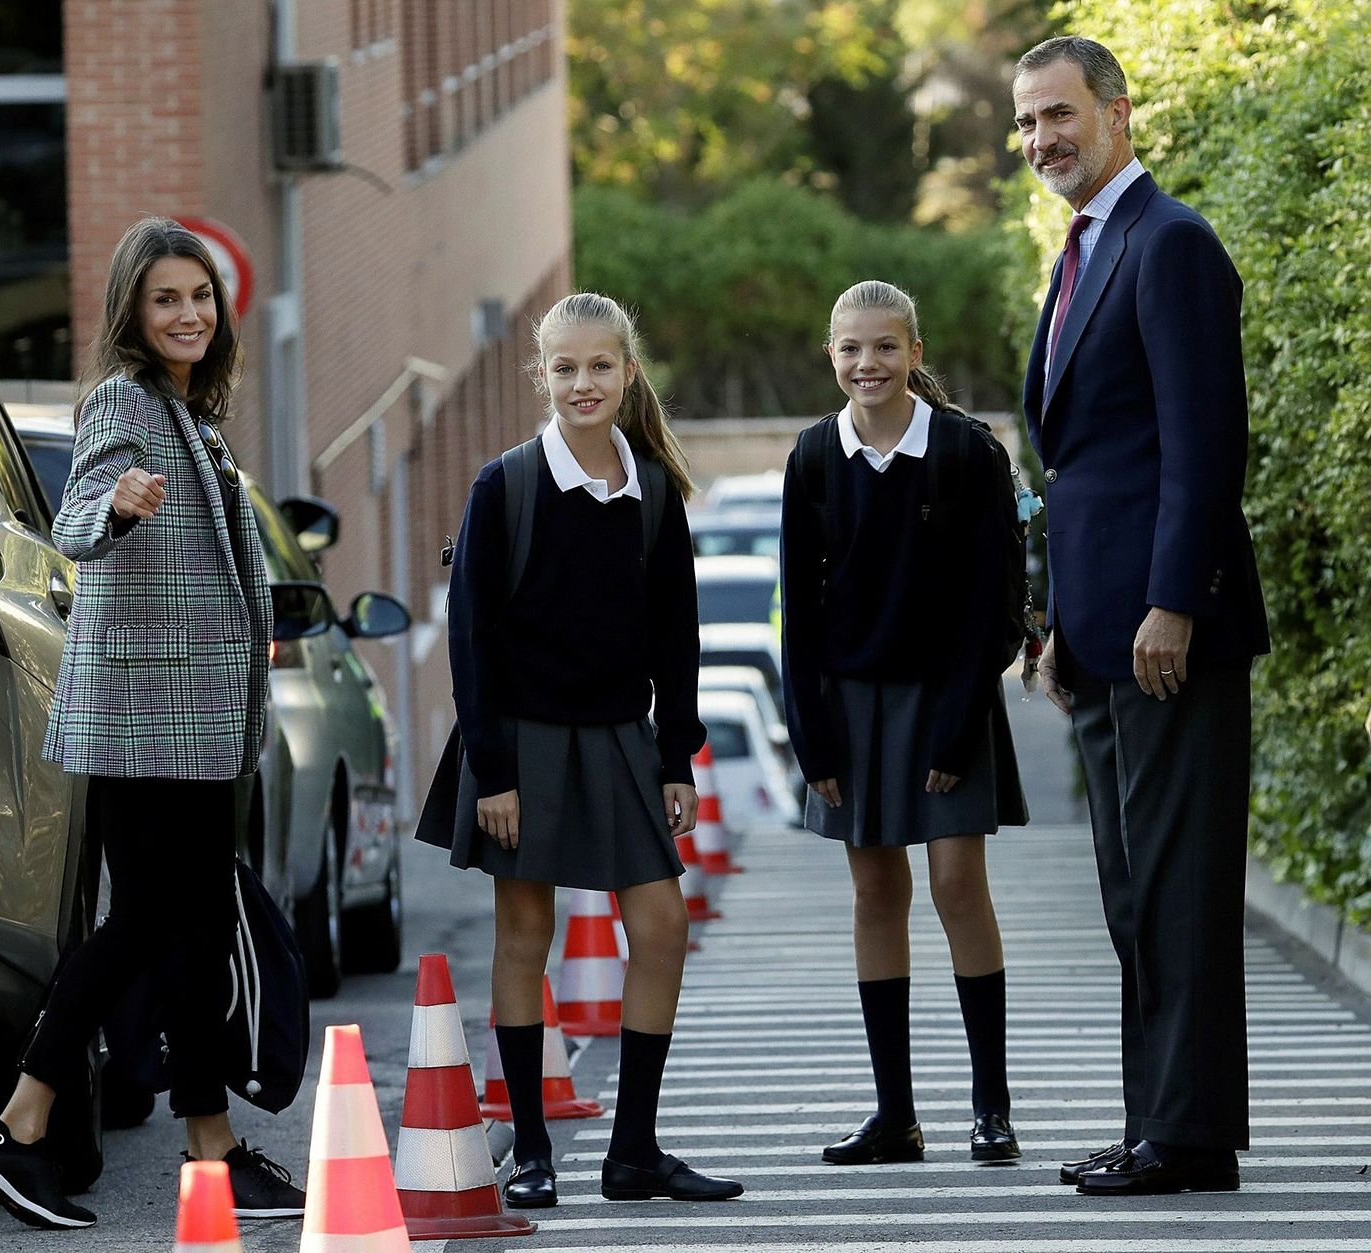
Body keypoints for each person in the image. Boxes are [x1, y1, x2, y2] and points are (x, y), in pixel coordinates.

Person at [0, 217, 304, 1229]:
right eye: (166, 299)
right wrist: (116, 504)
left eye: (199, 296)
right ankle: (18, 1123)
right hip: (147, 721)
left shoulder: (196, 413)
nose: (188, 313)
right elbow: (75, 520)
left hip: (193, 727)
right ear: (132, 313)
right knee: (149, 924)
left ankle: (212, 1151)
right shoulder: (126, 402)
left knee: (188, 934)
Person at [416, 292, 743, 1208]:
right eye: (565, 368)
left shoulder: (651, 495)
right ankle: (530, 1151)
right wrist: (494, 771)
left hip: (622, 744)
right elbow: (471, 640)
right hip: (517, 744)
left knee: (663, 927)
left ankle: (633, 1150)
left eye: (600, 366)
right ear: (542, 376)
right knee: (526, 934)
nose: (583, 382)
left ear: (628, 374)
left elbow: (679, 635)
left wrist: (676, 753)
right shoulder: (504, 485)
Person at [1013, 37, 1269, 1194]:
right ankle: (1158, 1121)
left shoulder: (1170, 243)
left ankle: (1191, 1133)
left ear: (1119, 113)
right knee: (1131, 894)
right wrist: (1061, 621)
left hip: (1171, 632)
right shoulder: (1082, 249)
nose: (1040, 140)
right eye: (1024, 124)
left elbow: (1204, 449)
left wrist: (1171, 600)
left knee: (1176, 890)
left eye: (1058, 115)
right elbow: (1084, 462)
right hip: (1103, 634)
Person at [780, 280, 1030, 1169]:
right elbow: (799, 614)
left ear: (917, 354)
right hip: (849, 705)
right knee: (876, 893)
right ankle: (896, 1115)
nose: (867, 364)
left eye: (885, 346)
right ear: (830, 355)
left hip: (947, 698)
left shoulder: (967, 452)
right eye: (850, 349)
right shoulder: (811, 457)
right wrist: (810, 733)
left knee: (959, 884)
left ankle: (991, 1108)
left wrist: (961, 721)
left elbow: (999, 601)